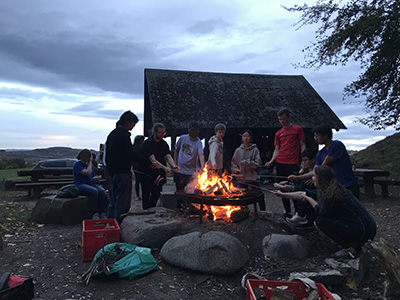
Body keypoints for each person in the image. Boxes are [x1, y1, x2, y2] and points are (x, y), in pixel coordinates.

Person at [273, 165, 376, 254]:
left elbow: (321, 211)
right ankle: (352, 243)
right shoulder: (330, 188)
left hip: (363, 230)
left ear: (321, 179)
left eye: (314, 176)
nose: (312, 178)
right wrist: (282, 194)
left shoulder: (332, 194)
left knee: (320, 222)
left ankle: (351, 248)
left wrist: (309, 199)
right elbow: (302, 194)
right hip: (366, 227)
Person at [105, 111, 154, 224]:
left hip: (111, 172)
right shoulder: (124, 135)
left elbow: (108, 155)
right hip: (122, 172)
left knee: (113, 202)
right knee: (122, 203)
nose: (133, 126)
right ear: (127, 122)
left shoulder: (112, 134)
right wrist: (148, 163)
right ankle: (118, 226)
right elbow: (131, 154)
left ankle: (109, 225)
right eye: (133, 124)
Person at [265, 108, 306, 218]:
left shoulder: (297, 129)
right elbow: (277, 149)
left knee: (293, 186)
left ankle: (298, 212)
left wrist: (304, 160)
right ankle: (287, 211)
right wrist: (271, 161)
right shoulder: (279, 133)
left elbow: (302, 144)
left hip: (292, 162)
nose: (282, 121)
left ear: (288, 117)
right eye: (280, 119)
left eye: (283, 118)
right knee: (281, 187)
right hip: (280, 162)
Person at [139, 123, 179, 209]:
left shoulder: (164, 144)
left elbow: (168, 156)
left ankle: (153, 208)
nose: (162, 135)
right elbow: (152, 159)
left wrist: (174, 165)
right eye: (160, 133)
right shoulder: (147, 143)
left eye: (163, 133)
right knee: (146, 192)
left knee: (156, 192)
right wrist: (164, 168)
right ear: (155, 132)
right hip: (147, 172)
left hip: (159, 173)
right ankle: (146, 209)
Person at [280, 148, 317, 226]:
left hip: (315, 195)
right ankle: (297, 213)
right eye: (302, 161)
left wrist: (291, 187)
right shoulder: (307, 170)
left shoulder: (316, 172)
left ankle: (301, 215)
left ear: (313, 160)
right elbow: (297, 180)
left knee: (303, 184)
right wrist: (288, 184)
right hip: (305, 193)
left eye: (305, 160)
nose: (303, 163)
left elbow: (302, 187)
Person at [231, 130, 265, 210]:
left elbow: (258, 163)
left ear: (250, 138)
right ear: (242, 138)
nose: (246, 138)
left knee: (260, 195)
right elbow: (233, 162)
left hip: (252, 177)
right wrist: (236, 169)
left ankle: (263, 211)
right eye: (244, 136)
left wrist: (247, 163)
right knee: (241, 197)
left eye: (247, 136)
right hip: (242, 178)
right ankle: (243, 211)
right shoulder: (238, 150)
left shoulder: (255, 150)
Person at [174, 122, 205, 207]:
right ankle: (178, 208)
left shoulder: (198, 142)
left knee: (189, 193)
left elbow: (201, 155)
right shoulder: (182, 138)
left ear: (198, 131)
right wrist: (175, 163)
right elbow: (176, 150)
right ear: (188, 130)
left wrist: (203, 166)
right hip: (180, 170)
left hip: (191, 172)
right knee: (179, 191)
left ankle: (188, 208)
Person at [73, 149, 108, 220]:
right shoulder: (77, 165)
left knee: (101, 191)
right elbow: (87, 172)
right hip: (80, 184)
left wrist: (97, 178)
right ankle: (95, 213)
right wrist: (90, 162)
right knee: (94, 191)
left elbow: (91, 177)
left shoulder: (89, 165)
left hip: (90, 183)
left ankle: (102, 212)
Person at [132, 135, 145, 200]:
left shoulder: (133, 147)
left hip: (135, 165)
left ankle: (138, 195)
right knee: (143, 181)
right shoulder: (143, 147)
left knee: (137, 180)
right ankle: (143, 194)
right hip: (142, 165)